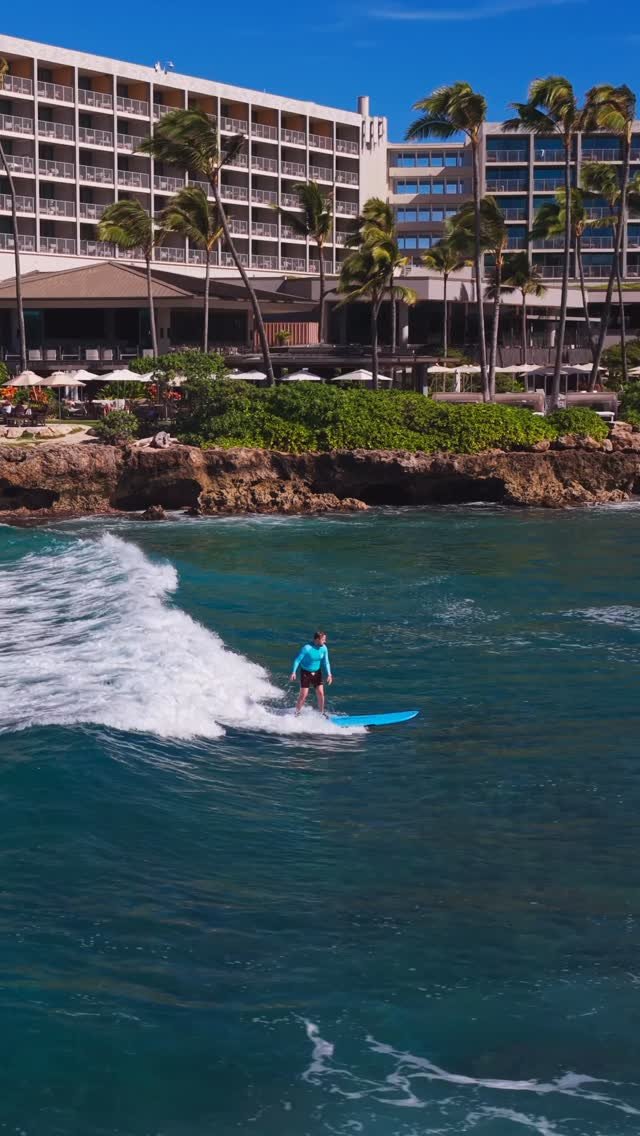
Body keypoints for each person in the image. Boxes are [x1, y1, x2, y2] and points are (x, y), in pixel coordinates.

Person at [290, 630, 333, 716]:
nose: (325, 641)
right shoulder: (307, 648)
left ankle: (321, 713)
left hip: (317, 672)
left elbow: (326, 662)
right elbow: (297, 660)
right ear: (317, 639)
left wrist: (329, 674)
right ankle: (297, 713)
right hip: (305, 673)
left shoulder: (324, 648)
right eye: (323, 639)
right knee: (304, 695)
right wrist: (293, 672)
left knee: (321, 693)